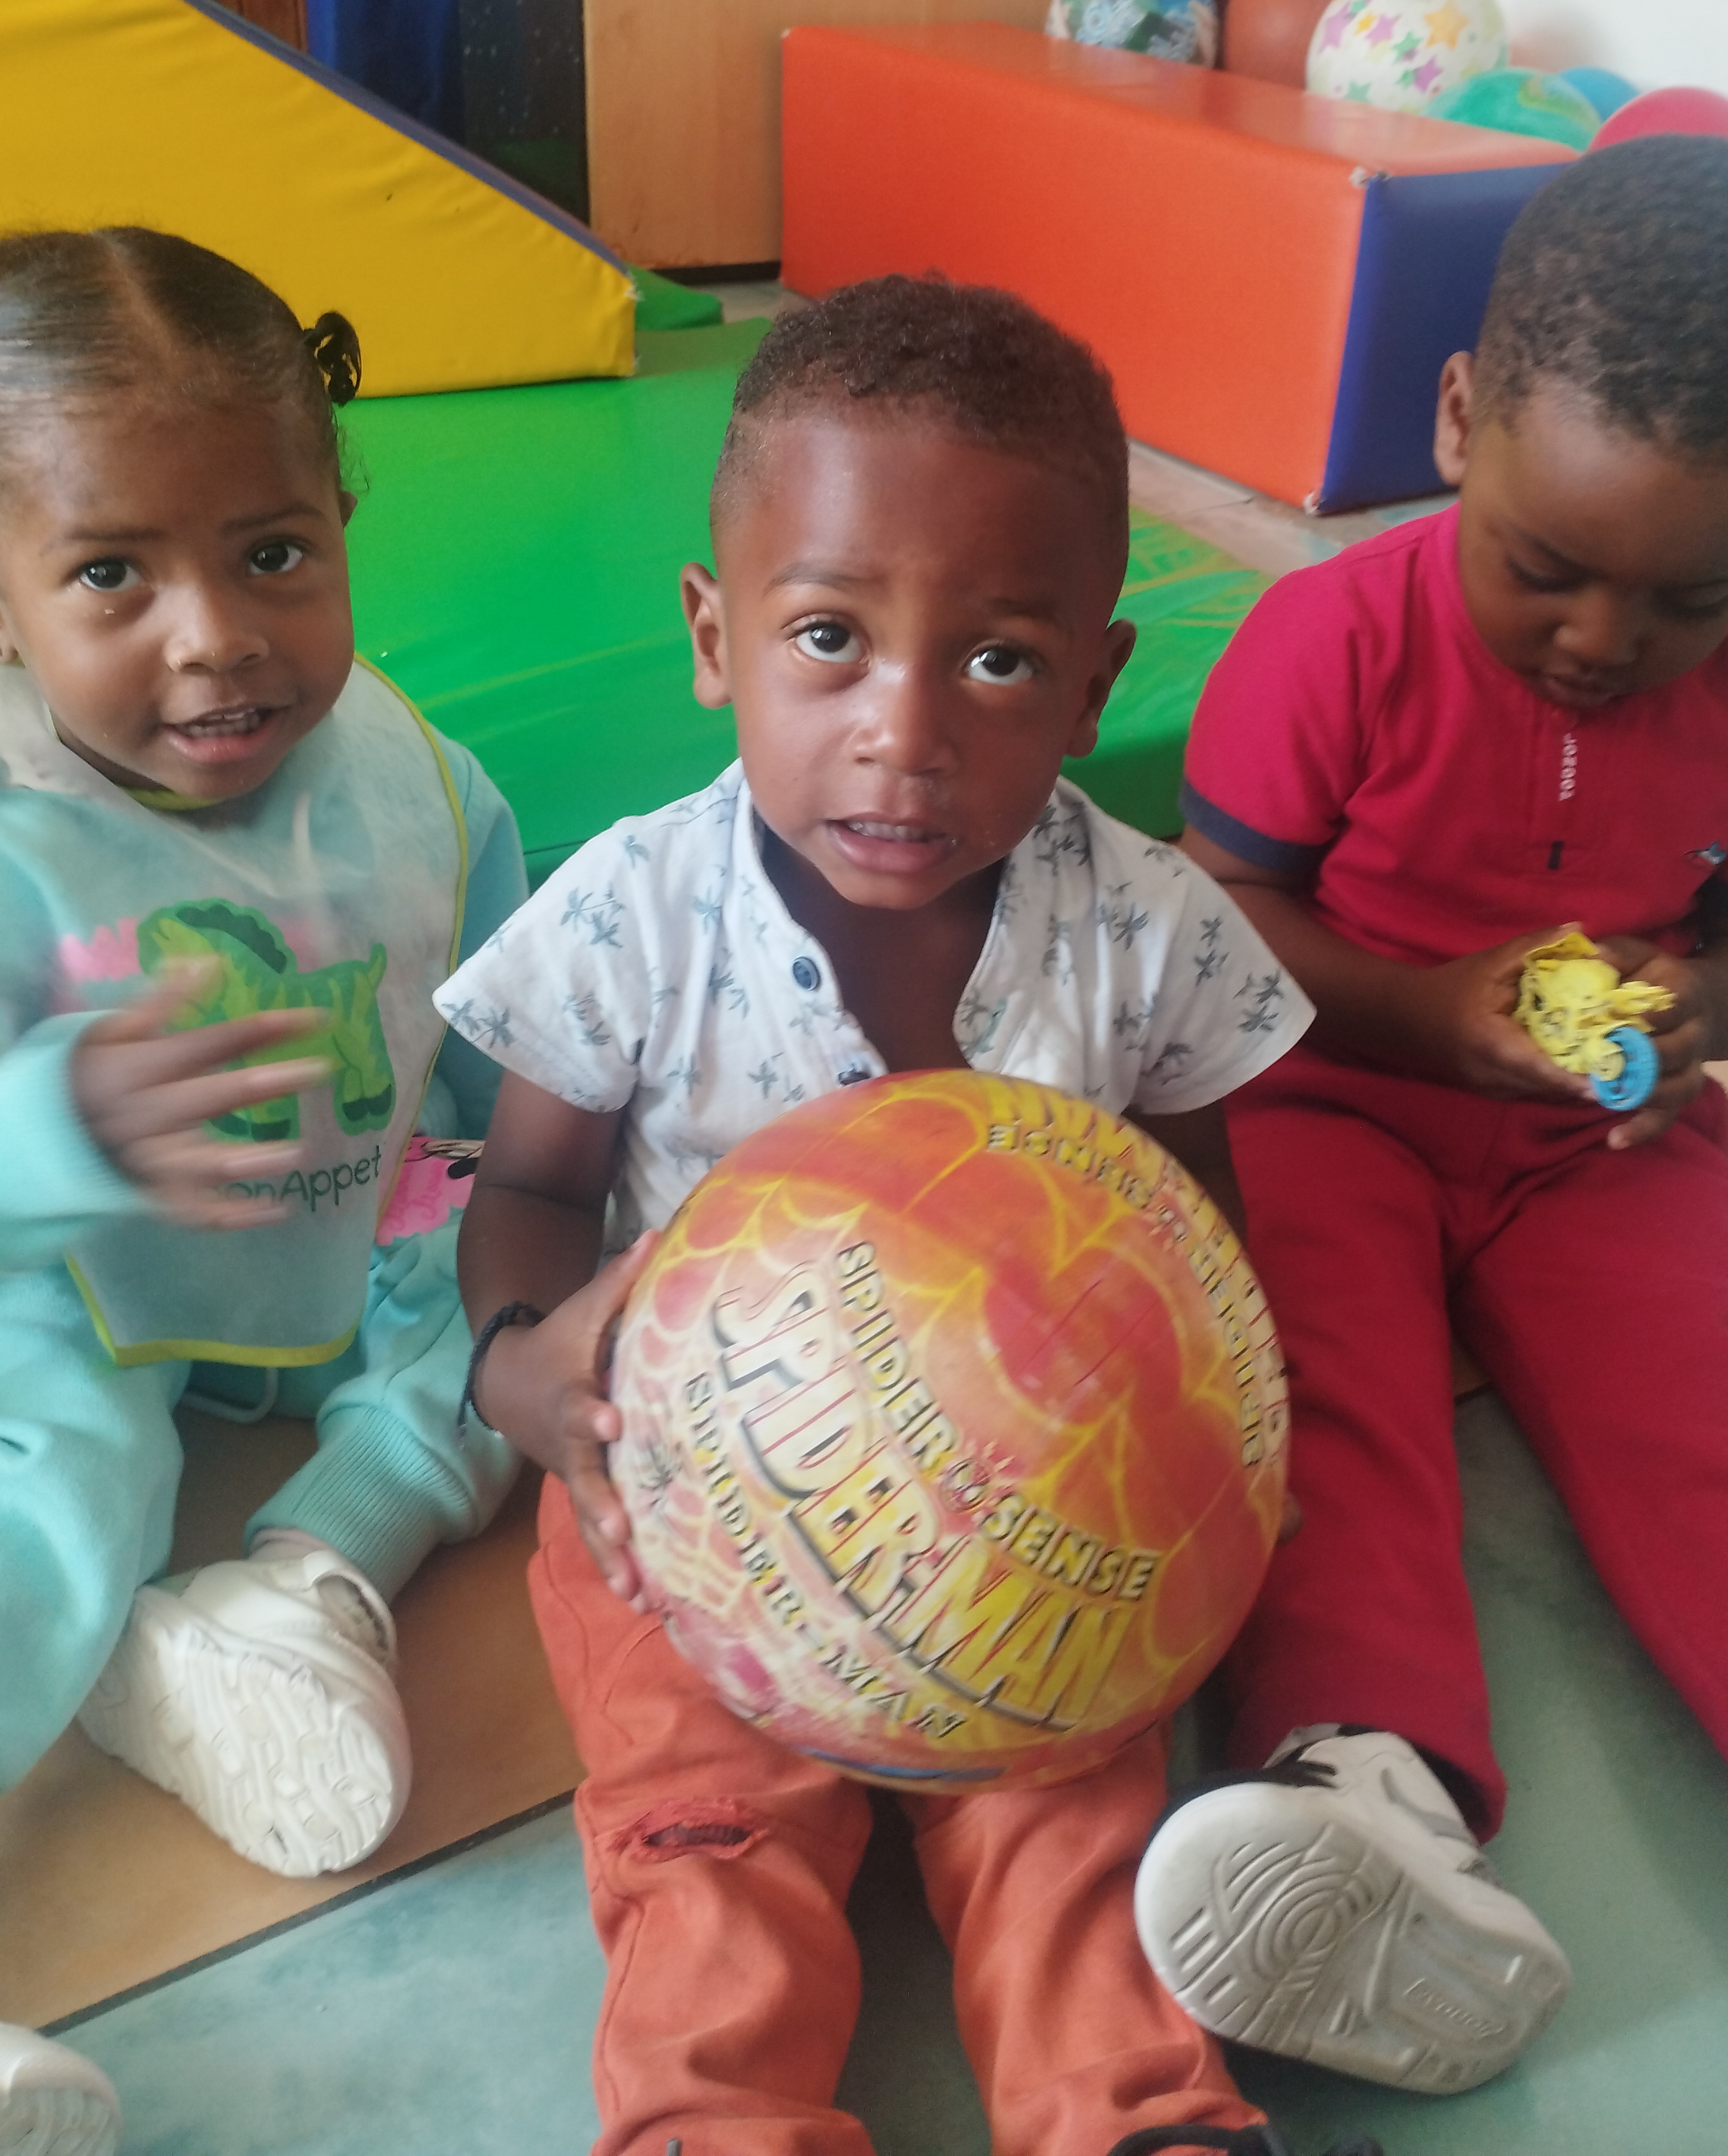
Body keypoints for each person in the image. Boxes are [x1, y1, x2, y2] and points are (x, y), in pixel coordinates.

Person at [438, 277, 1362, 2156]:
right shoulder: (637, 912)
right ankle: (712, 2119)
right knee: (705, 1826)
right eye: (831, 640)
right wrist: (524, 1370)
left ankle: (1131, 2109)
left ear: (1097, 684)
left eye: (998, 663)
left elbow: (1193, 1208)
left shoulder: (1144, 926)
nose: (905, 731)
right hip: (681, 1505)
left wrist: (1218, 1446)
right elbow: (527, 1187)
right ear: (716, 638)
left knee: (1072, 1807)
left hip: (1040, 1508)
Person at [1131, 137, 1728, 2135]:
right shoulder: (1333, 636)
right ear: (1458, 421)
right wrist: (1432, 1016)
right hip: (1330, 1093)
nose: (1602, 639)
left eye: (1692, 595)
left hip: (1606, 1142)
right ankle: (1364, 1779)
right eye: (1546, 565)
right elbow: (1220, 915)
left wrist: (1703, 1012)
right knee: (1325, 1398)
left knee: (1707, 1423)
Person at [0, 230, 522, 2154]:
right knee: (51, 1481)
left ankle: (300, 1589)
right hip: (70, 1289)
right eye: (111, 575)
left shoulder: (416, 779)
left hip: (361, 1235)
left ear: (341, 524)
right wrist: (48, 1130)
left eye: (273, 551)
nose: (215, 636)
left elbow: (508, 1043)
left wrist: (557, 1205)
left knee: (530, 1309)